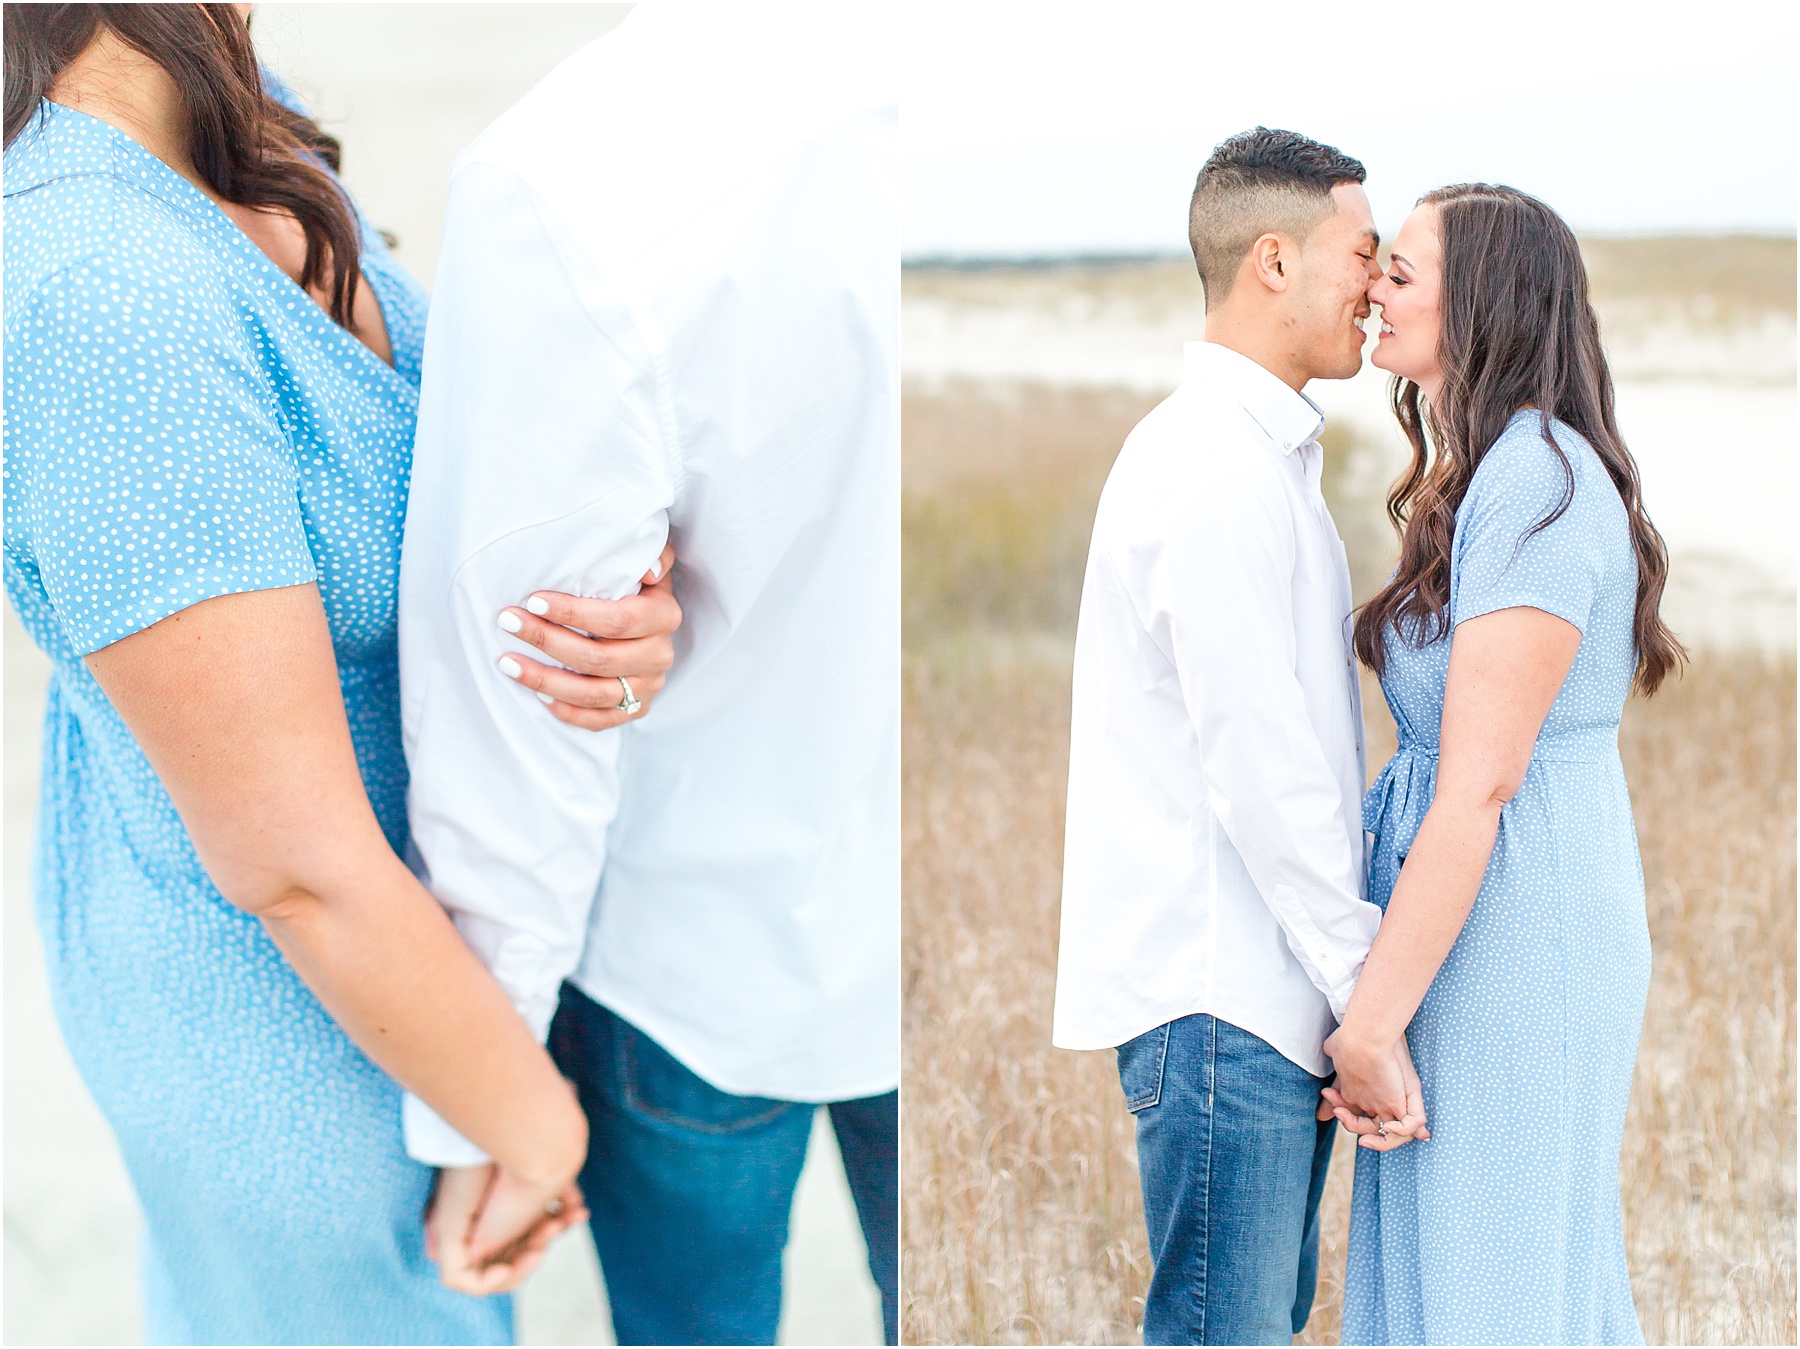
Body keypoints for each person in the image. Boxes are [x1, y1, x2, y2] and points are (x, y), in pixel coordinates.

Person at [1, 5, 679, 1342]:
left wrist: (620, 619)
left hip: (424, 975)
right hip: (299, 1030)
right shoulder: (103, 292)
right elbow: (293, 864)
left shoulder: (229, 114)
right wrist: (534, 1126)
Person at [394, 4, 900, 1344]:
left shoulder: (579, 169)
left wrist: (475, 1106)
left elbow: (524, 686)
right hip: (945, 946)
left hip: (698, 955)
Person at [1051, 128, 1422, 1345]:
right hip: (1229, 1005)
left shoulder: (1260, 461)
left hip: (1260, 1001)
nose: (1376, 282)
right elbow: (1269, 776)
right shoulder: (1212, 469)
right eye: (1362, 252)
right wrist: (1366, 996)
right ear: (1275, 259)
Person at [1322, 183, 1679, 1345]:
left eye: (1404, 272)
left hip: (1517, 922)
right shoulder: (1487, 473)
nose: (1376, 286)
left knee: (1499, 1272)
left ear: (1481, 302)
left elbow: (1480, 784)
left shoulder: (1535, 480)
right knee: (1466, 1258)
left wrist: (1370, 1025)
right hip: (1472, 912)